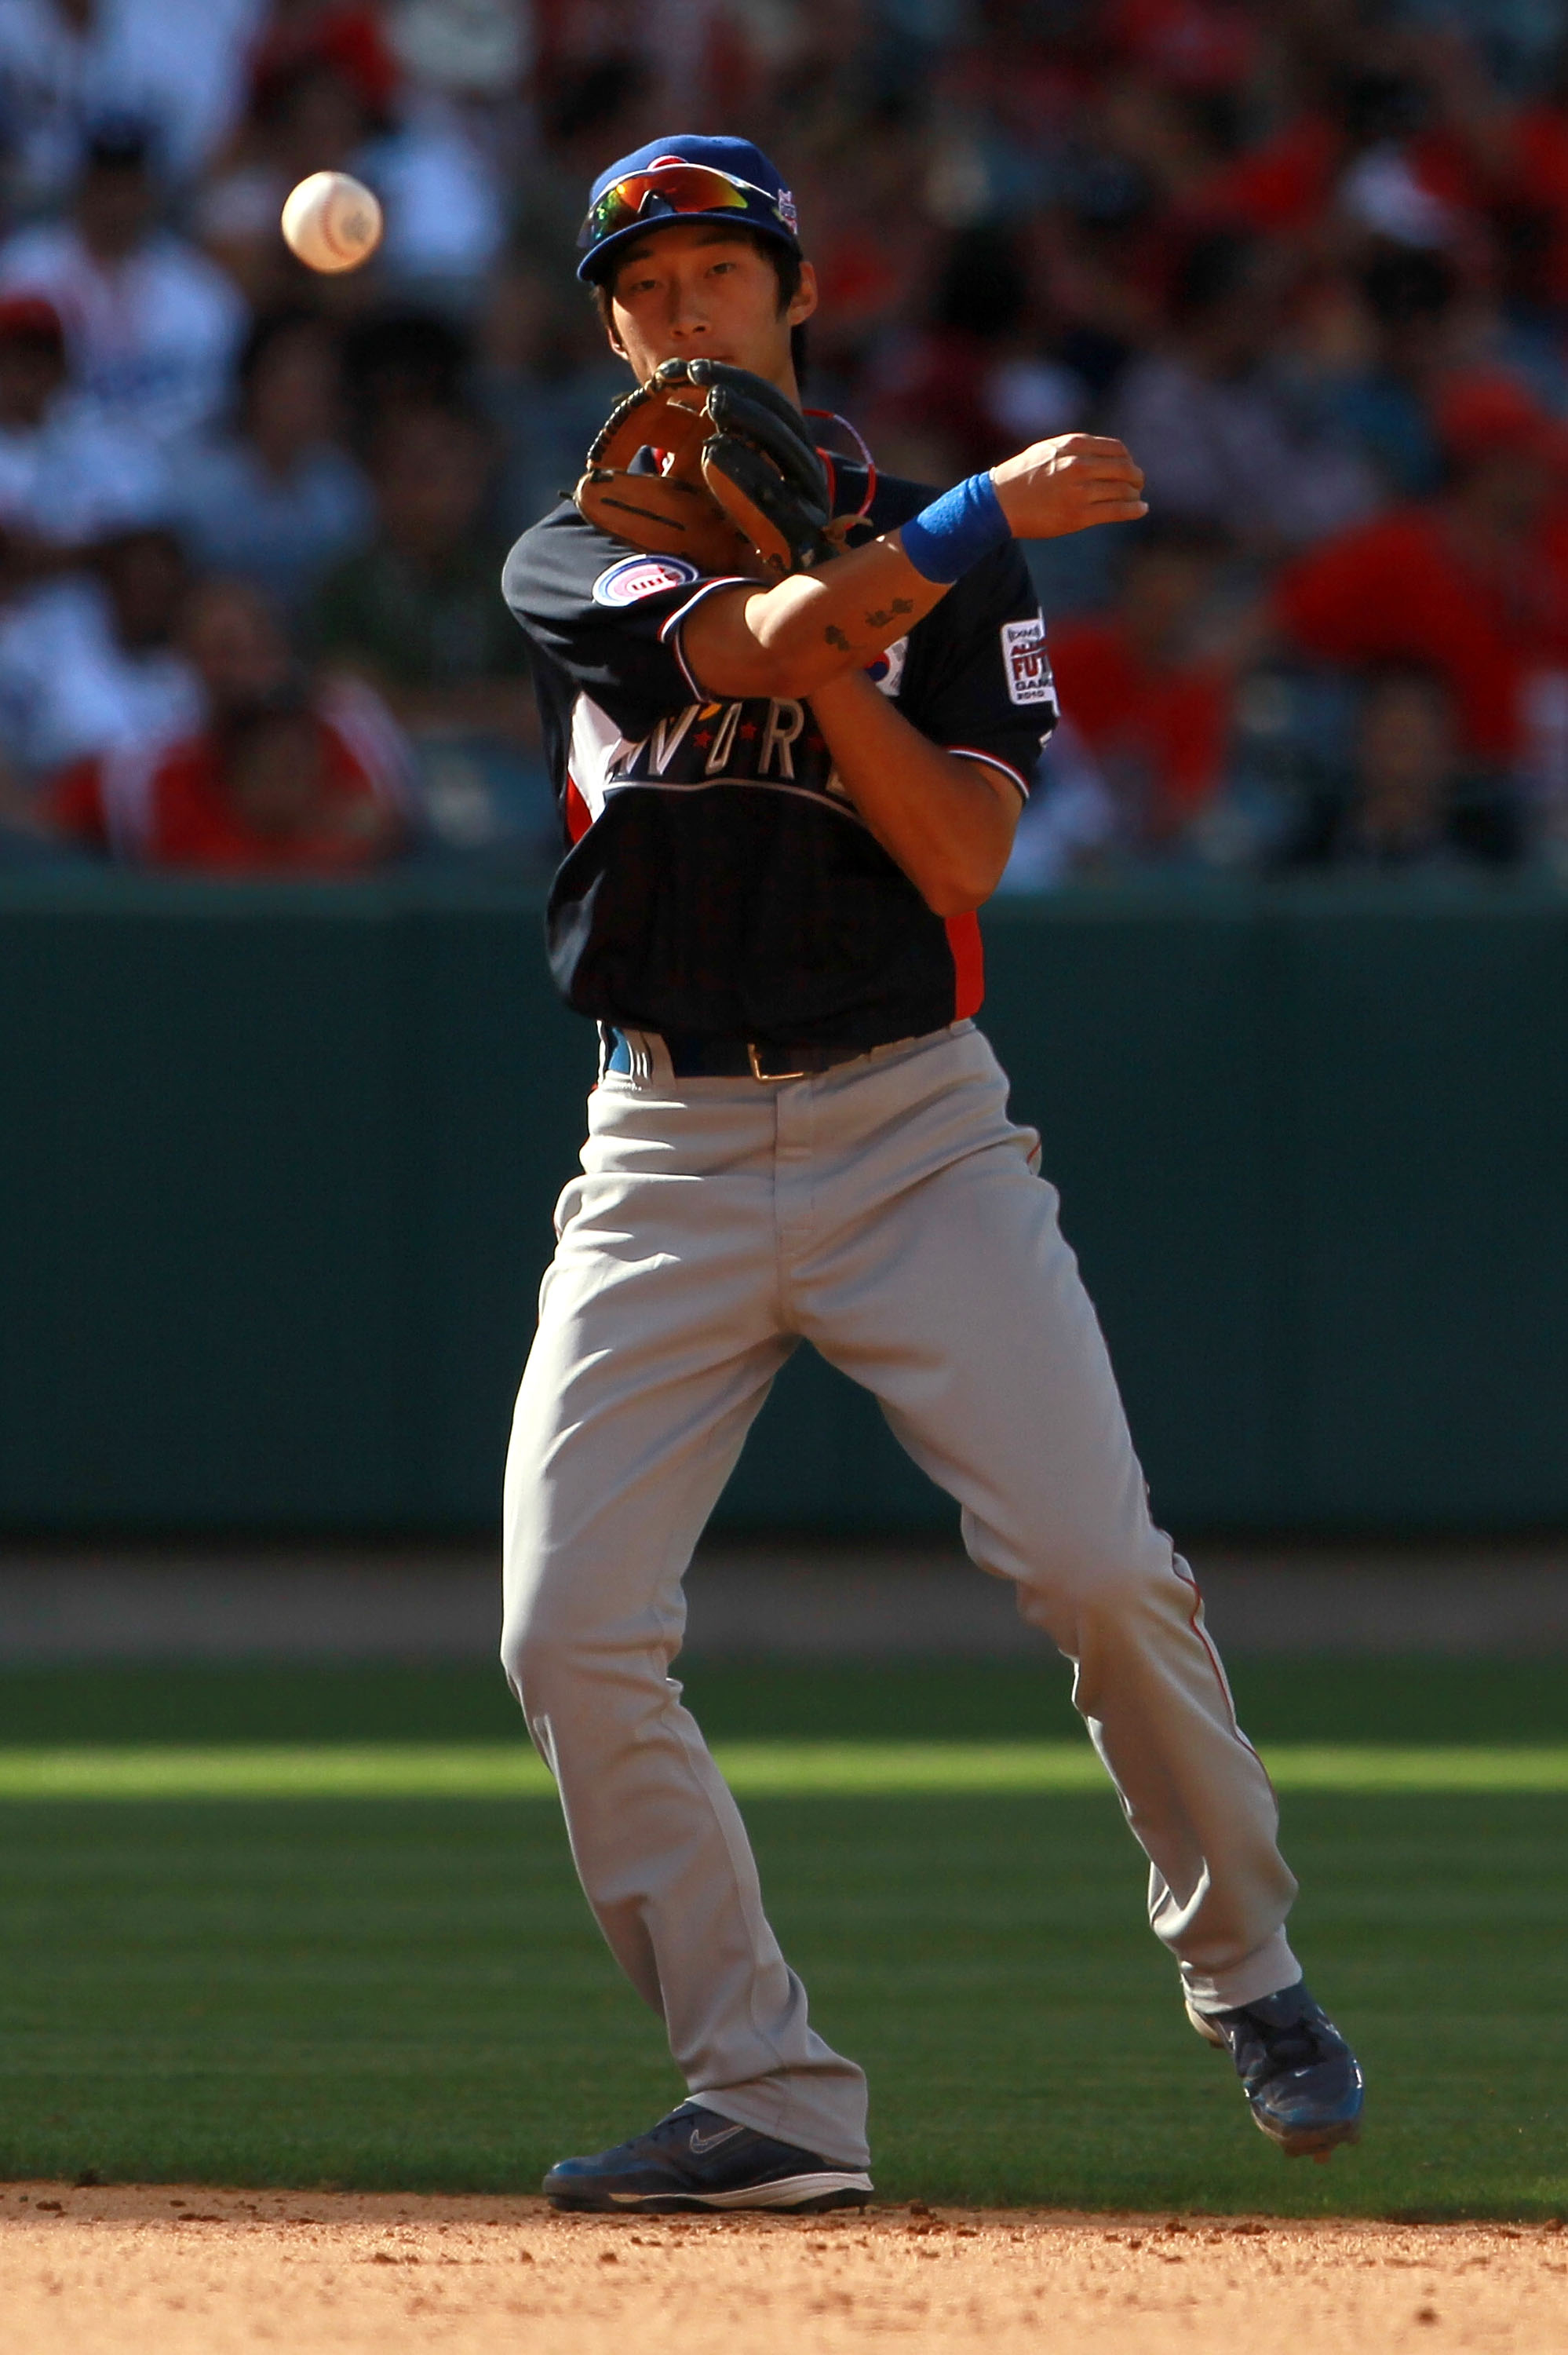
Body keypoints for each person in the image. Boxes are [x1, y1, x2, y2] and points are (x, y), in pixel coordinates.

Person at [499, 133, 1365, 2218]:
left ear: (795, 297)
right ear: (613, 331)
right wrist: (959, 533)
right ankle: (770, 2097)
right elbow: (738, 646)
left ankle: (1250, 1971)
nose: (682, 312)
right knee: (566, 1629)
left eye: (718, 274)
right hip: (663, 1150)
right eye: (646, 289)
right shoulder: (574, 550)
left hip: (914, 1132)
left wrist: (906, 587)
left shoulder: (950, 559)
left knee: (1096, 1569)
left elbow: (965, 856)